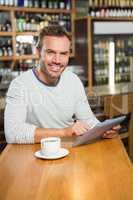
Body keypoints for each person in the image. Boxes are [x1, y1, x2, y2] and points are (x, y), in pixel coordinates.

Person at [4, 25, 118, 144]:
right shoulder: (20, 85)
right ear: (38, 52)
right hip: (35, 152)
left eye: (63, 53)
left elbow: (87, 120)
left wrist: (102, 129)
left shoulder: (73, 80)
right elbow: (12, 133)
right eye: (51, 52)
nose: (57, 60)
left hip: (69, 150)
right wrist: (64, 132)